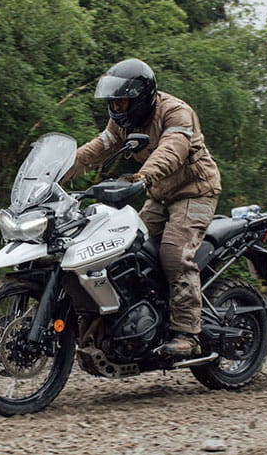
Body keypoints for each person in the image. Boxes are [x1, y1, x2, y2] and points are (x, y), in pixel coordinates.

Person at [63, 59, 222, 356]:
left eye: (122, 101)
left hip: (194, 192)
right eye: (113, 102)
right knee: (124, 248)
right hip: (160, 195)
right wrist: (56, 171)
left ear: (141, 97)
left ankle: (188, 333)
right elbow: (96, 149)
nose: (116, 107)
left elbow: (172, 149)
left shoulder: (175, 112)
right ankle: (141, 317)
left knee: (174, 253)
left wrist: (143, 177)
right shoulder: (122, 122)